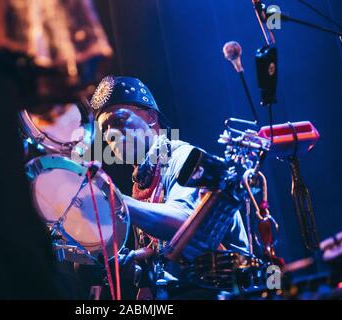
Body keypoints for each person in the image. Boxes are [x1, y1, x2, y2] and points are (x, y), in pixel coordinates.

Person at [91, 75, 249, 298]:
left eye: (118, 121)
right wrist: (137, 267)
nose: (111, 134)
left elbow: (185, 222)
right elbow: (159, 252)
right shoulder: (141, 179)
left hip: (224, 289)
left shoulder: (181, 156)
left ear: (151, 117)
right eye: (104, 129)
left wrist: (117, 200)